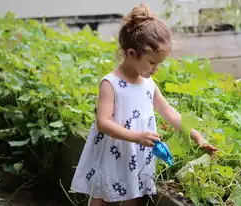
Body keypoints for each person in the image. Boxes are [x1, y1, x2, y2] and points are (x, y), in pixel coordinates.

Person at [70, 3, 217, 206]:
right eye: (151, 62)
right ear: (131, 54)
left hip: (137, 155)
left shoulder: (148, 84)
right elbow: (103, 122)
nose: (156, 69)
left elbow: (171, 114)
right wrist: (136, 136)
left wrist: (197, 136)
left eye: (159, 63)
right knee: (101, 197)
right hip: (114, 152)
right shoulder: (110, 84)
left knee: (135, 195)